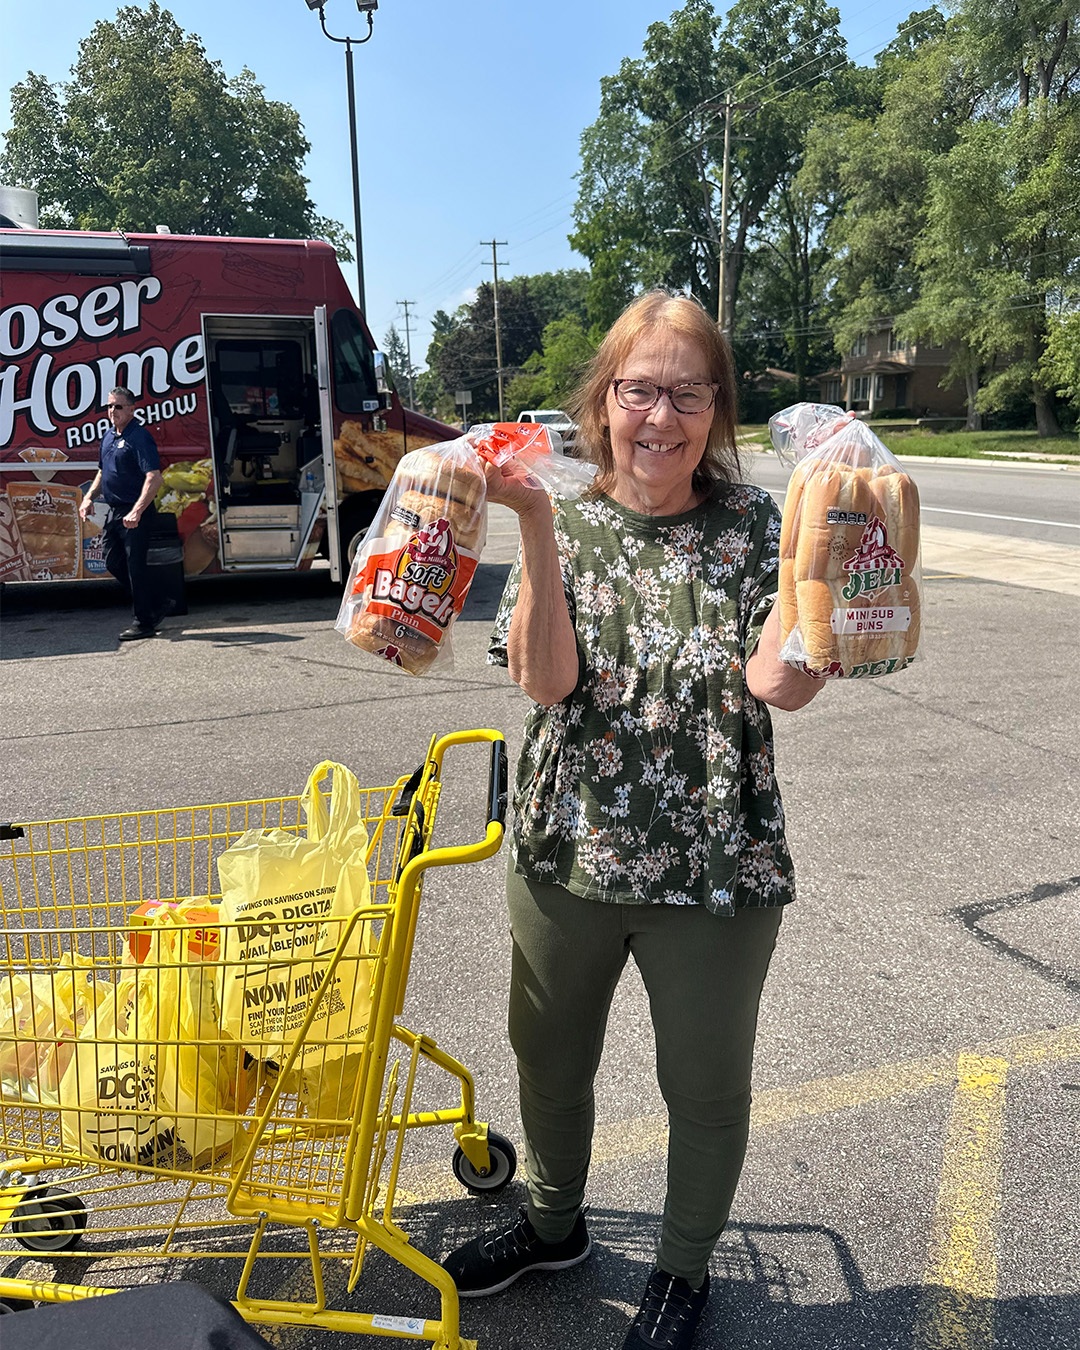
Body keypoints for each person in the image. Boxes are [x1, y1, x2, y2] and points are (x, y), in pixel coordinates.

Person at [441, 290, 825, 1349]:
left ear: (718, 408)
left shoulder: (762, 526)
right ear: (603, 400)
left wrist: (823, 586)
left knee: (702, 1084)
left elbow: (773, 685)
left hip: (716, 865)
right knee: (548, 1060)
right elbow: (549, 685)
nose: (660, 416)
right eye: (639, 389)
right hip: (567, 848)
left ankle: (683, 1270)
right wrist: (532, 525)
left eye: (686, 393)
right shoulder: (554, 511)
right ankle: (553, 1223)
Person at [79, 386, 164, 641]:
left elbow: (154, 477)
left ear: (131, 409)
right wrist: (88, 498)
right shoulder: (108, 436)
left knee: (135, 566)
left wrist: (137, 511)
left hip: (135, 512)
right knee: (113, 562)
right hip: (115, 512)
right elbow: (103, 472)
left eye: (118, 406)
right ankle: (157, 603)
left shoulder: (139, 437)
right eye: (109, 406)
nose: (112, 411)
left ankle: (143, 622)